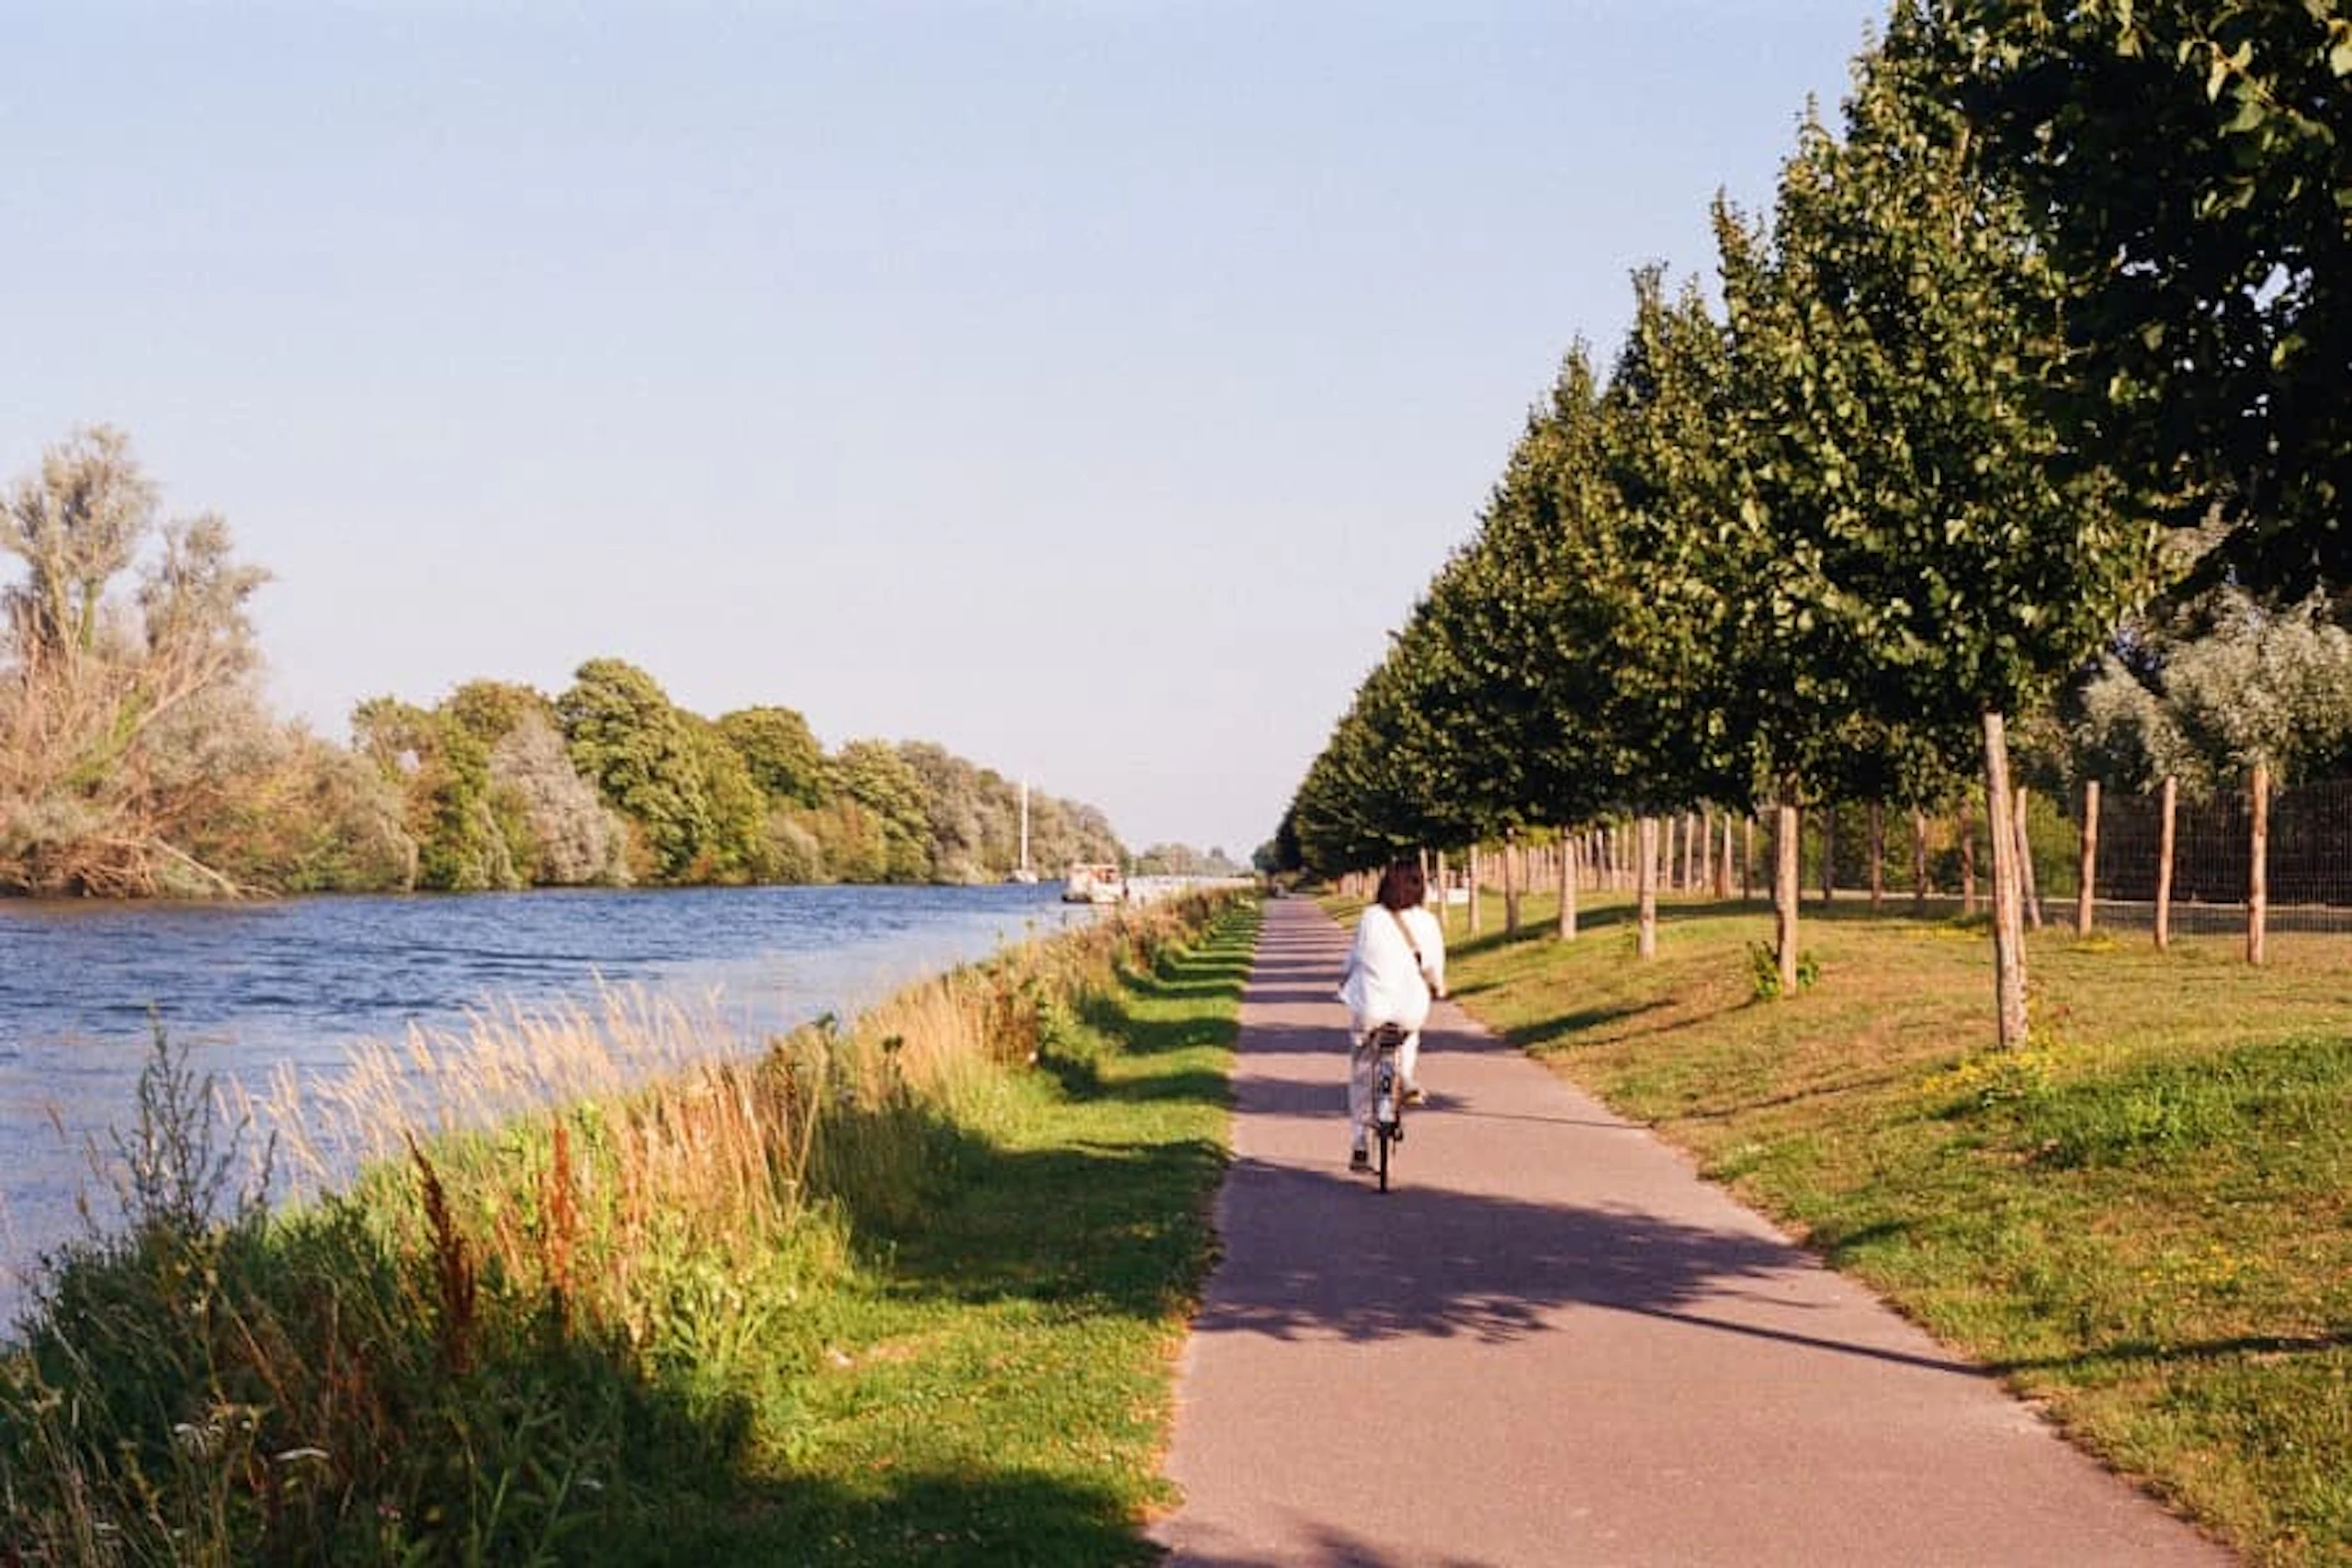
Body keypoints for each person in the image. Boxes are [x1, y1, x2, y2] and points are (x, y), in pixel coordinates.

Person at [1335, 858, 1447, 1172]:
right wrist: (1440, 986)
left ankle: (1359, 1142)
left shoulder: (1370, 917)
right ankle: (1405, 1077)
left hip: (1371, 1007)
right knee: (1409, 1036)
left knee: (1360, 1069)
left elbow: (1354, 958)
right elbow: (1433, 966)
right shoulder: (1427, 921)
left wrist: (1342, 980)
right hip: (1411, 1008)